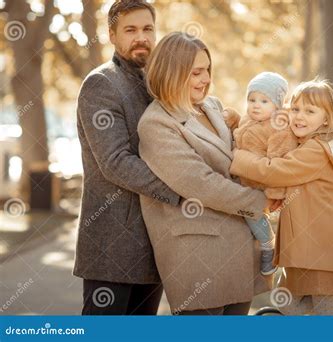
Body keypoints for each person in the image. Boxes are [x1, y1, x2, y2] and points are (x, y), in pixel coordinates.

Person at [137, 32, 275, 315]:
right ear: (172, 72)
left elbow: (237, 156)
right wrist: (261, 202)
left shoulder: (211, 106)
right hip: (198, 254)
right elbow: (201, 184)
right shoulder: (156, 123)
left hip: (238, 247)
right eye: (196, 72)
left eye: (208, 70)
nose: (206, 79)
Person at [74, 0, 179, 315]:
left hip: (154, 244)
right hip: (112, 249)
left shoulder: (157, 85)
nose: (141, 38)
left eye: (147, 29)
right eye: (130, 30)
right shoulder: (101, 84)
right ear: (111, 35)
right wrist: (181, 190)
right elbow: (116, 162)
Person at [230, 79, 333, 315]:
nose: (299, 117)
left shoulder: (316, 150)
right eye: (295, 109)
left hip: (319, 245)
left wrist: (238, 159)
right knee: (288, 302)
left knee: (321, 310)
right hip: (307, 244)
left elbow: (275, 171)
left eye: (310, 111)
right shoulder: (311, 143)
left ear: (326, 118)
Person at [225, 72, 298, 275]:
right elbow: (241, 130)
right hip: (242, 179)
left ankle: (268, 244)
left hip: (259, 185)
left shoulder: (279, 129)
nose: (256, 105)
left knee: (253, 216)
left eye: (264, 101)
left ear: (277, 105)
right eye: (252, 100)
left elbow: (278, 164)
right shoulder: (250, 118)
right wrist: (233, 119)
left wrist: (275, 194)